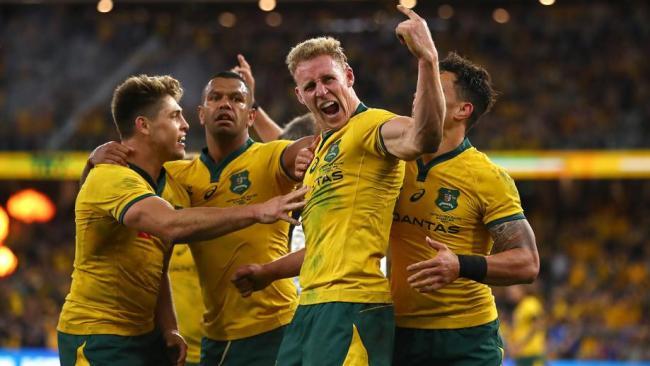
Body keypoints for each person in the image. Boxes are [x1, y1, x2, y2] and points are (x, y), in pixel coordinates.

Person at [233, 5, 445, 365]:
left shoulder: (372, 126)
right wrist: (267, 273)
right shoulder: (322, 150)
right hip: (311, 307)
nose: (321, 90)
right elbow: (321, 248)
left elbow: (423, 137)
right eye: (310, 85)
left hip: (353, 306)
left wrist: (427, 60)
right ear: (299, 96)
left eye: (328, 79)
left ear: (348, 76)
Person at [58, 74, 306, 366]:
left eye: (236, 99)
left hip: (149, 336)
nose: (185, 125)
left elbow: (158, 267)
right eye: (176, 116)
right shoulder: (112, 177)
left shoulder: (172, 182)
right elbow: (169, 223)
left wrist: (168, 327)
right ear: (144, 125)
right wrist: (257, 210)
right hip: (99, 335)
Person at [390, 52, 540, 365]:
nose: (420, 95)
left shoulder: (487, 177)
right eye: (420, 87)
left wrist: (460, 265)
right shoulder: (390, 160)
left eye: (434, 88)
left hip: (466, 338)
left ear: (463, 110)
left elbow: (527, 263)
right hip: (395, 330)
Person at [505, 284, 546, 366]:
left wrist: (519, 345)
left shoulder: (530, 303)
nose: (510, 295)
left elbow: (537, 325)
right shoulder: (519, 307)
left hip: (532, 352)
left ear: (522, 290)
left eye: (513, 291)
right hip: (521, 353)